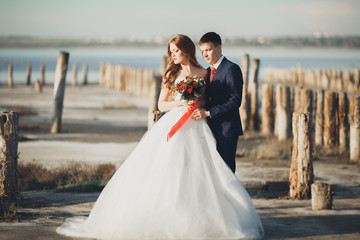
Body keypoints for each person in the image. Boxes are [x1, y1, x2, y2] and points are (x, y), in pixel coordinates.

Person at [56, 34, 264, 240]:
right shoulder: (171, 73)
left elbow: (211, 100)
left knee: (206, 172)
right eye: (170, 51)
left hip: (200, 125)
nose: (173, 55)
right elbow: (161, 104)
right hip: (175, 122)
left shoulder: (205, 72)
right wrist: (181, 103)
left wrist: (199, 107)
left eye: (176, 51)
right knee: (169, 168)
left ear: (187, 51)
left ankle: (213, 216)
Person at [193, 32, 243, 173]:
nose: (205, 55)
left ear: (219, 48)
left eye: (208, 50)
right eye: (202, 51)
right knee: (212, 170)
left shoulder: (231, 69)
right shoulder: (207, 72)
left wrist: (208, 113)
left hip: (227, 129)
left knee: (226, 170)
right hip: (209, 128)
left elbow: (235, 100)